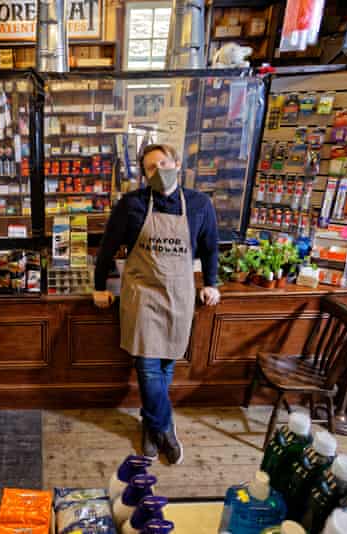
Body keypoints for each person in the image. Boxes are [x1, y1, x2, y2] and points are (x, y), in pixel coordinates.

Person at [92, 143, 220, 465]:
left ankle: (151, 426)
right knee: (148, 365)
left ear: (177, 163)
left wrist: (211, 284)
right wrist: (98, 286)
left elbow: (209, 248)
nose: (158, 170)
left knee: (166, 364)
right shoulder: (131, 205)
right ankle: (166, 428)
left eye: (163, 163)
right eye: (151, 167)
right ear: (144, 173)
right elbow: (107, 247)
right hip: (143, 295)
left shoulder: (200, 204)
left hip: (179, 294)